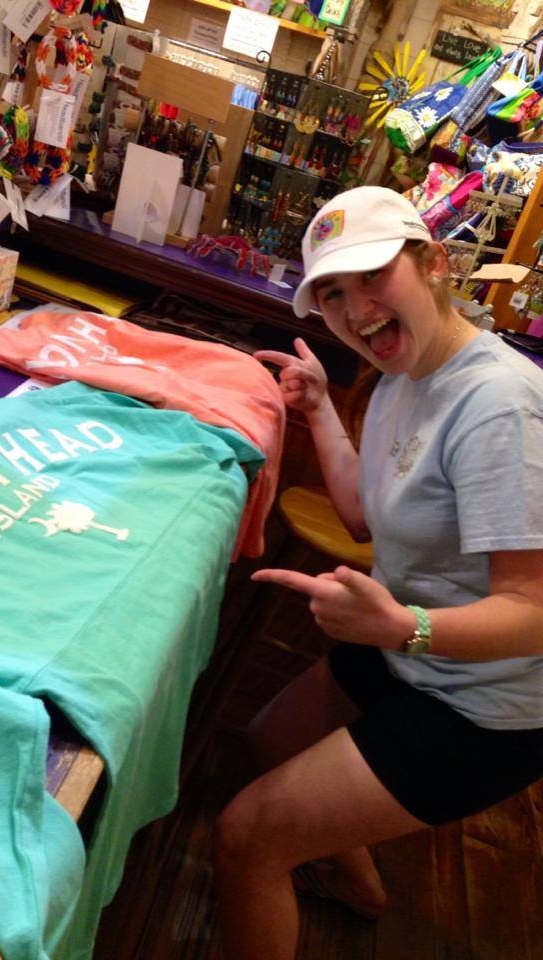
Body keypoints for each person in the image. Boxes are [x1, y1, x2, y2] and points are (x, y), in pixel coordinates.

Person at [213, 186, 543, 960]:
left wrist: (401, 626)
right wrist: (320, 408)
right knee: (270, 738)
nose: (355, 308)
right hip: (416, 652)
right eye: (332, 292)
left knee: (245, 839)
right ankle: (358, 884)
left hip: (490, 709)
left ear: (434, 264)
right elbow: (364, 515)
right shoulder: (401, 376)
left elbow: (534, 609)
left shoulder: (501, 406)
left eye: (372, 275)